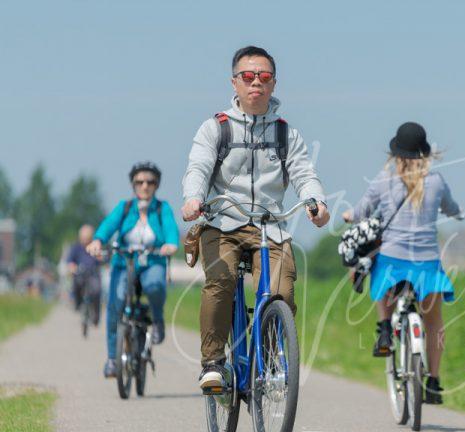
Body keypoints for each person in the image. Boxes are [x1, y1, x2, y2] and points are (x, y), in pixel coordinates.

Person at [181, 46, 330, 391]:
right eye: (248, 77)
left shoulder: (285, 134)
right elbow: (199, 167)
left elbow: (304, 173)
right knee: (221, 280)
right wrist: (193, 198)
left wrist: (316, 202)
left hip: (270, 227)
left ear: (274, 84)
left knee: (282, 291)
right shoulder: (214, 129)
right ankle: (213, 363)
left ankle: (270, 359)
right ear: (234, 82)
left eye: (263, 77)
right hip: (223, 224)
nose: (256, 84)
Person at [342, 122, 461, 404]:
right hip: (427, 265)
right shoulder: (436, 182)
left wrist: (349, 215)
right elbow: (452, 207)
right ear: (426, 153)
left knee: (377, 268)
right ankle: (433, 381)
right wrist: (457, 213)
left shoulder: (383, 180)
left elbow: (360, 211)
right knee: (434, 322)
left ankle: (384, 328)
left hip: (393, 263)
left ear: (395, 152)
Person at [87, 161, 179, 378]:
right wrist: (98, 241)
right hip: (124, 263)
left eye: (149, 182)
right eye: (139, 182)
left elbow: (170, 228)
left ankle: (157, 320)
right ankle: (112, 358)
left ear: (156, 185)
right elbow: (109, 225)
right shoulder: (125, 207)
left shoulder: (162, 208)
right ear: (133, 185)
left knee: (155, 285)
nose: (144, 186)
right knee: (115, 302)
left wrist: (171, 244)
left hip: (152, 262)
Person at [66, 224, 102, 325]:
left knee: (96, 290)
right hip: (80, 273)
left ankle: (96, 314)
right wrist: (72, 267)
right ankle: (78, 304)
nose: (85, 241)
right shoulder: (76, 248)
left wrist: (101, 258)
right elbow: (70, 261)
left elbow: (103, 260)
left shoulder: (95, 247)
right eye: (83, 238)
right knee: (76, 284)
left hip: (93, 274)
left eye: (87, 238)